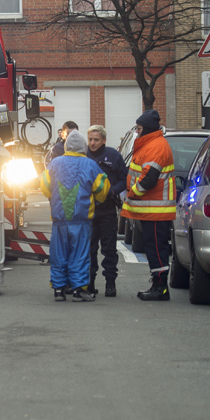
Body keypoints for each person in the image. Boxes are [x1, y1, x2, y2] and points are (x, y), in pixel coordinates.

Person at [40, 130, 110, 302]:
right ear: (83, 147)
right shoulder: (90, 164)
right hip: (82, 219)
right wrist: (97, 199)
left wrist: (54, 197)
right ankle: (79, 290)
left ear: (66, 146)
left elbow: (44, 186)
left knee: (58, 253)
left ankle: (58, 290)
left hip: (59, 219)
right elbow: (103, 188)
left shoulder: (55, 163)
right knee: (80, 254)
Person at [120, 109, 176, 301]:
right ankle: (158, 284)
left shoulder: (156, 146)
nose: (137, 131)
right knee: (154, 248)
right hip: (153, 209)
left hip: (155, 210)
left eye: (139, 128)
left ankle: (160, 287)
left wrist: (131, 194)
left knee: (156, 249)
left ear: (147, 129)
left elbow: (149, 179)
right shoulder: (152, 144)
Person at [85, 125, 128, 297]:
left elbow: (124, 179)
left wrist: (112, 191)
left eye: (96, 140)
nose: (93, 143)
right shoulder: (84, 156)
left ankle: (110, 283)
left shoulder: (113, 156)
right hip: (88, 211)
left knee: (109, 249)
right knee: (89, 249)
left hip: (107, 210)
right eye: (90, 139)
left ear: (103, 140)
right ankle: (90, 282)